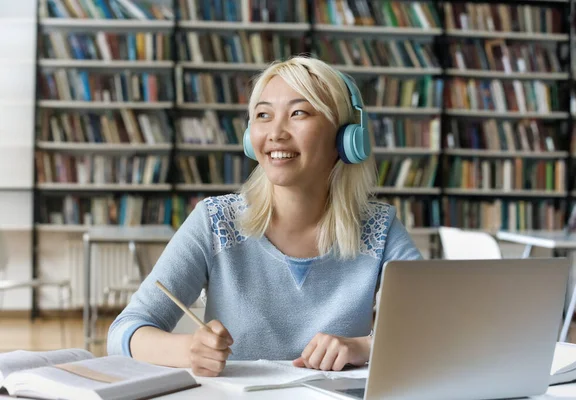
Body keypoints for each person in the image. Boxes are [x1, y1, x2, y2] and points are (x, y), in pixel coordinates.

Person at [107, 56, 422, 377]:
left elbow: (437, 329)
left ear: (346, 136)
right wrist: (189, 350)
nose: (276, 132)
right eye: (263, 115)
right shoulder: (215, 221)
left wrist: (364, 347)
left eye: (298, 112)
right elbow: (124, 331)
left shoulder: (379, 228)